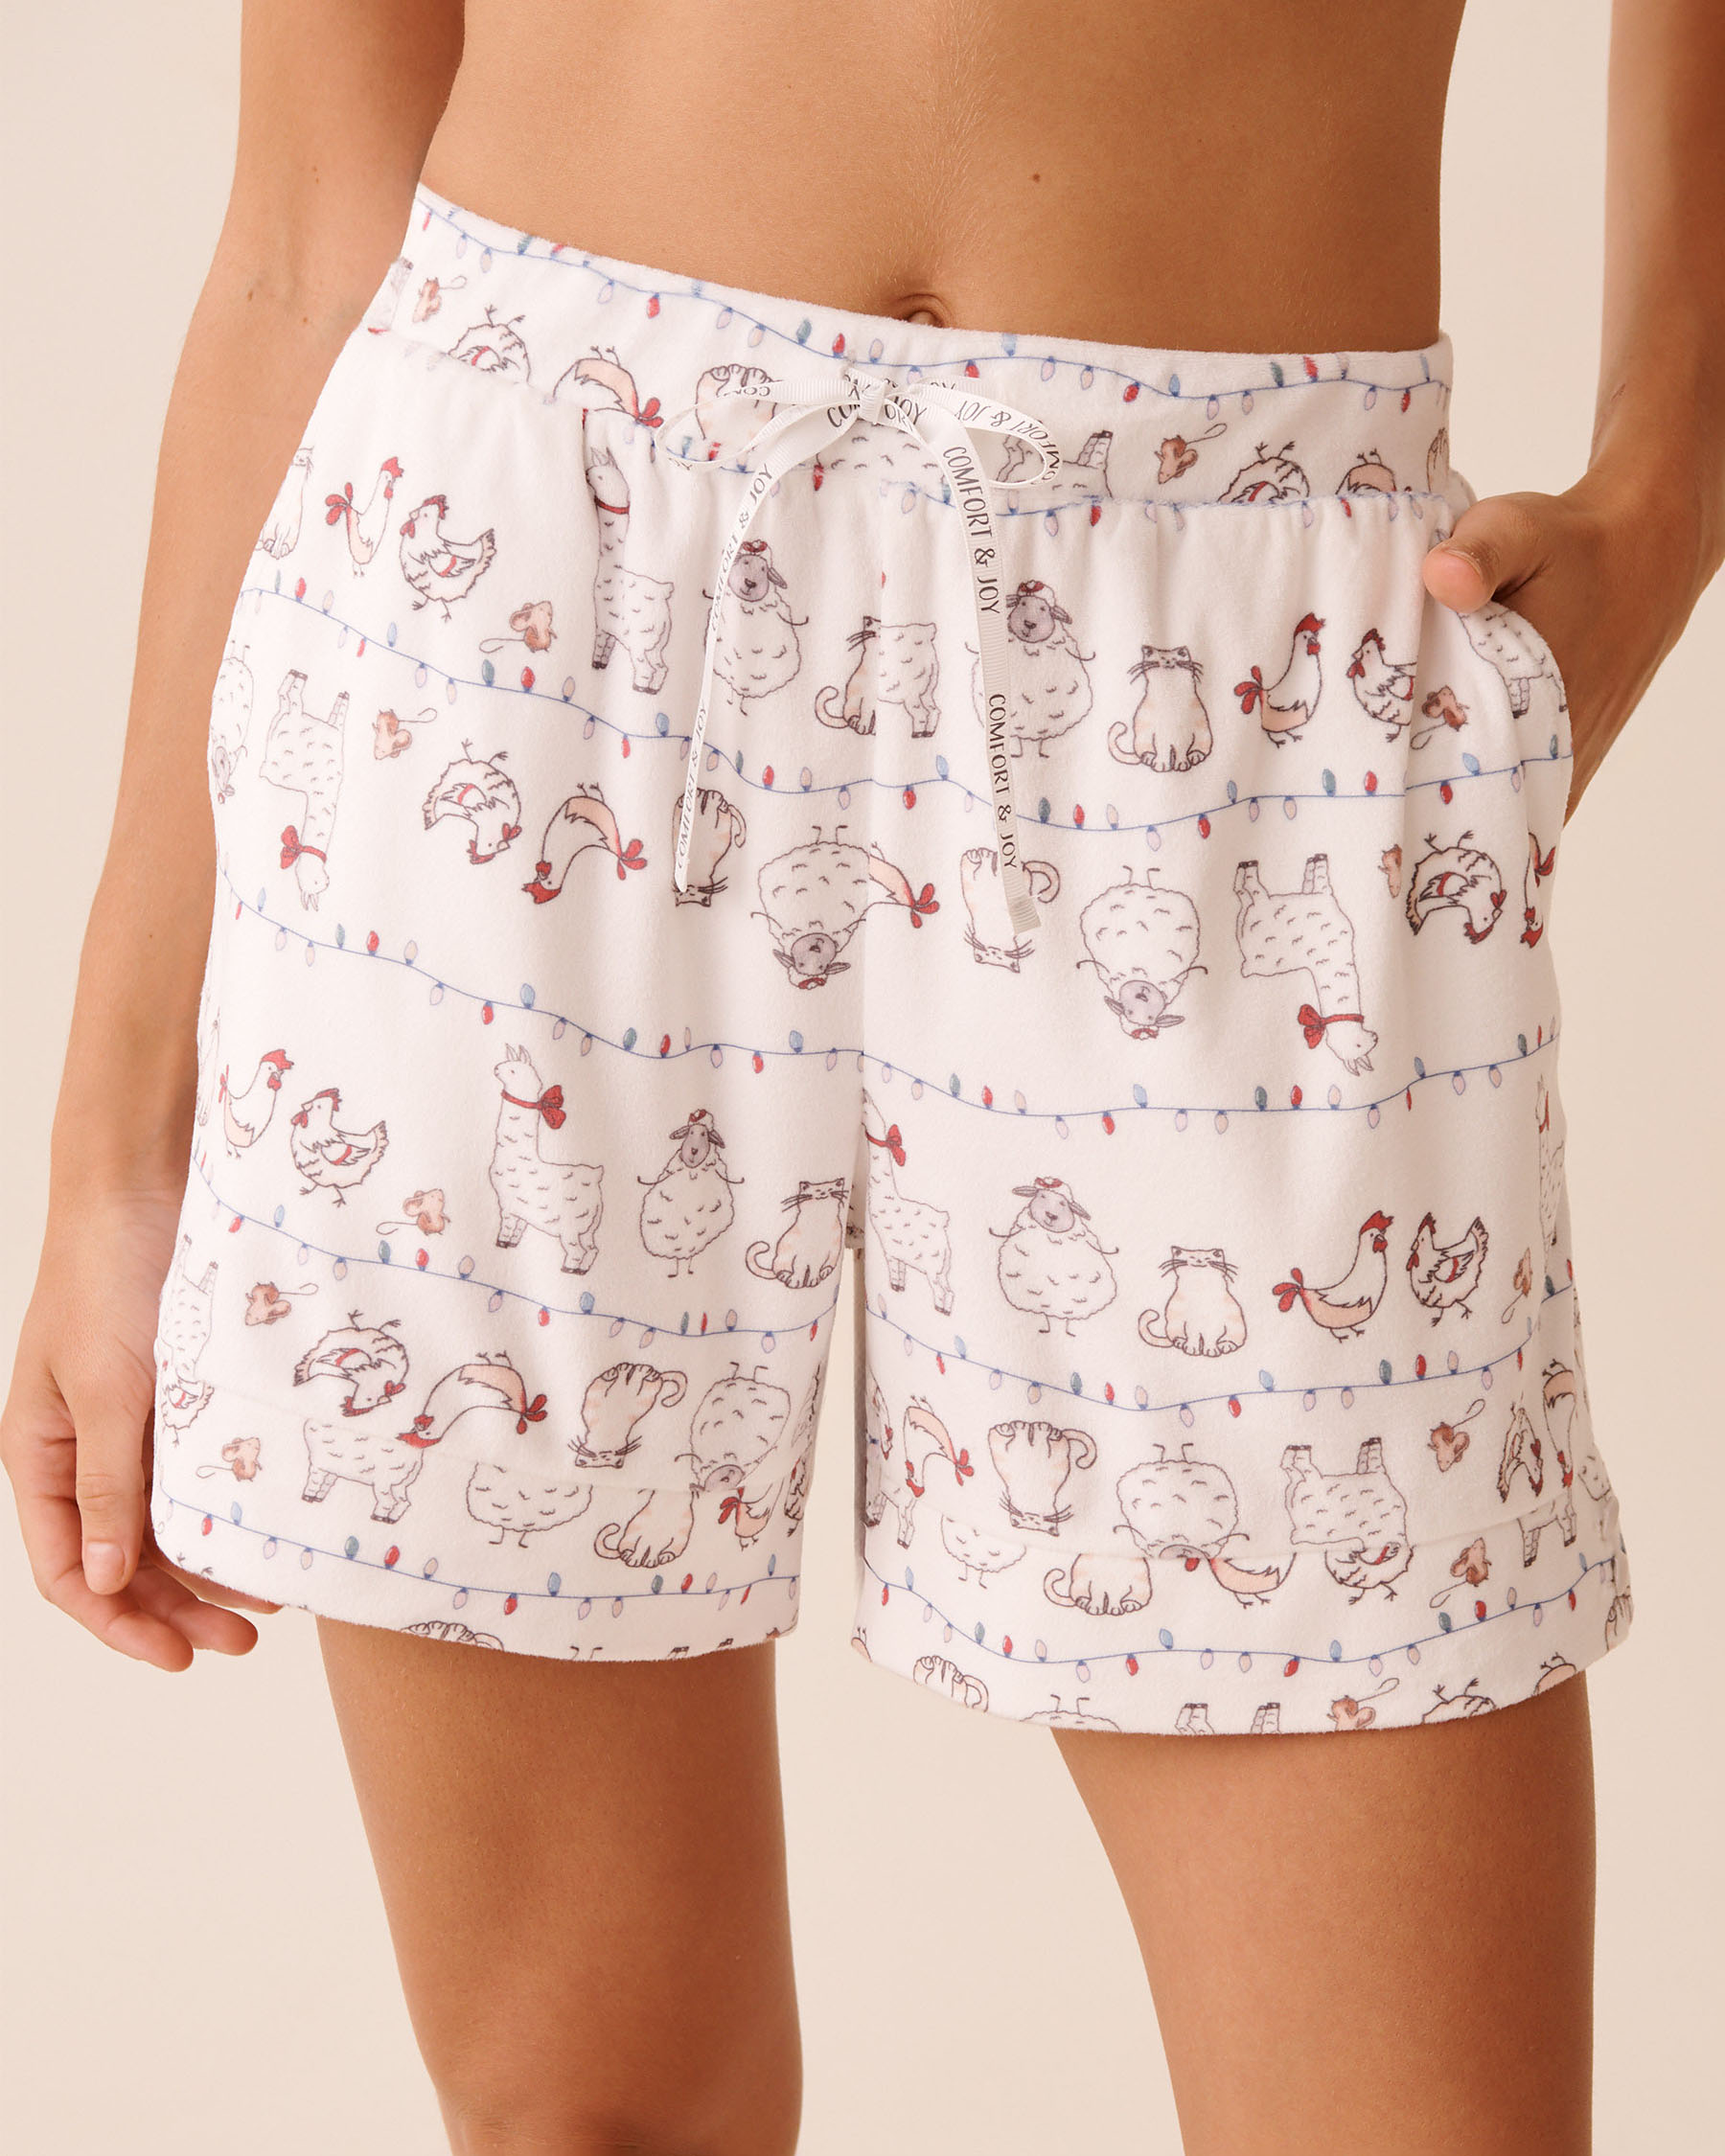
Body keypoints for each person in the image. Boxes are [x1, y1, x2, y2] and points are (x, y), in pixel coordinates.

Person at [4, 4, 1719, 2149]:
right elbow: (302, 232)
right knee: (595, 2109)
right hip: (528, 602)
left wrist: (1674, 478)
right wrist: (114, 1146)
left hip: (1235, 648)